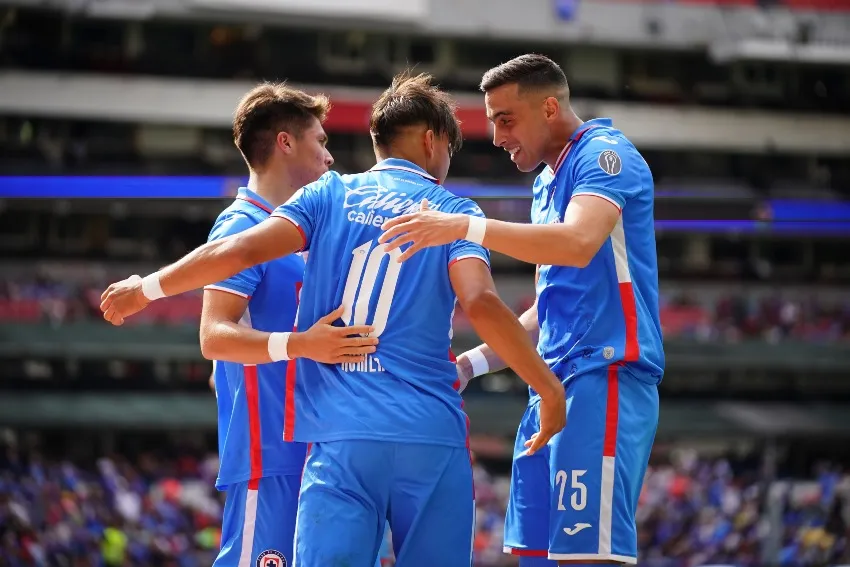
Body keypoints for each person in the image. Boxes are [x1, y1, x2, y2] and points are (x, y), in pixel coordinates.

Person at [99, 71, 566, 567]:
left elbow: (236, 252)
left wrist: (146, 288)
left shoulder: (328, 196)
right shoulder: (452, 212)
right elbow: (482, 303)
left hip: (338, 438)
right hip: (427, 434)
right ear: (433, 141)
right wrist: (547, 387)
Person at [379, 54, 665, 566]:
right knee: (532, 557)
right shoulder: (544, 185)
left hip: (605, 376)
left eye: (505, 119)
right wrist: (472, 364)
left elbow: (577, 243)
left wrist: (465, 227)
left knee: (586, 558)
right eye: (491, 120)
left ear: (550, 107)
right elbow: (544, 311)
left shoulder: (604, 156)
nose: (495, 136)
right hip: (550, 388)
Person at [166, 83, 380, 567]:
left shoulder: (304, 232)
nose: (329, 157)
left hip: (319, 445)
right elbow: (212, 336)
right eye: (321, 141)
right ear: (286, 143)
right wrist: (302, 344)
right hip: (270, 453)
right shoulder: (241, 227)